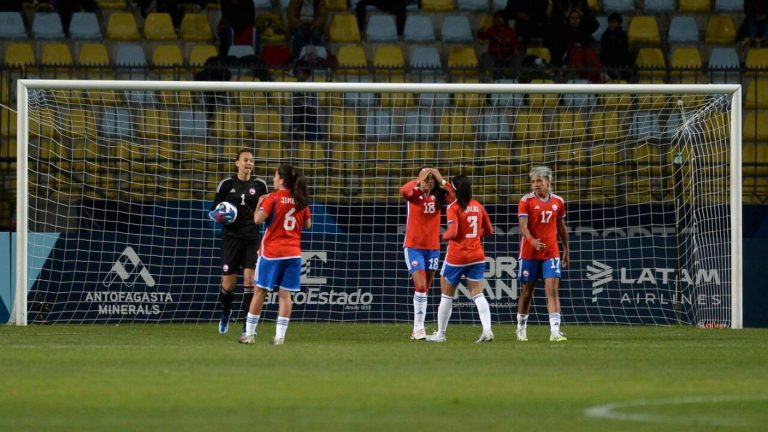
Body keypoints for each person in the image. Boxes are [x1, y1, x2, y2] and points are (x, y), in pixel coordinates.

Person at [239, 165, 312, 345]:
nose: (273, 179)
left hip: (272, 253)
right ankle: (279, 337)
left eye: (275, 176)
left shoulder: (272, 198)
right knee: (285, 295)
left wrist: (259, 204)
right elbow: (308, 225)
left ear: (282, 180)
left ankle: (249, 334)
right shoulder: (301, 200)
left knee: (260, 292)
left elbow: (257, 220)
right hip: (293, 254)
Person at [426, 175, 494, 343]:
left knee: (446, 295)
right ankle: (487, 330)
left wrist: (443, 236)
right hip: (477, 255)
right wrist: (474, 237)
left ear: (455, 191)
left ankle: (441, 334)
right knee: (478, 294)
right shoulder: (478, 206)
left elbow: (453, 233)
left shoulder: (453, 207)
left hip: (457, 257)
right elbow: (489, 230)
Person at [210, 149, 269, 336]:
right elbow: (212, 212)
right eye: (245, 160)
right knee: (228, 285)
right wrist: (221, 216)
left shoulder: (260, 185)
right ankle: (226, 313)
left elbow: (265, 211)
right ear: (237, 163)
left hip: (252, 238)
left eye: (251, 160)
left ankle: (247, 325)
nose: (249, 163)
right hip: (231, 238)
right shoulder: (226, 184)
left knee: (250, 281)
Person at [516, 166, 570, 342]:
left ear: (548, 181)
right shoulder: (526, 201)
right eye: (533, 181)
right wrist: (532, 241)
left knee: (552, 291)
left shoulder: (558, 202)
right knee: (527, 292)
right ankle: (521, 328)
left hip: (551, 252)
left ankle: (555, 332)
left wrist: (566, 250)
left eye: (539, 181)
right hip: (529, 253)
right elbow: (523, 227)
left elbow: (561, 228)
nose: (535, 185)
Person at [400, 167, 454, 340]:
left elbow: (455, 198)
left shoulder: (439, 196)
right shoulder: (414, 194)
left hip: (433, 248)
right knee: (421, 285)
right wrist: (418, 181)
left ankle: (417, 329)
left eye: (432, 178)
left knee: (425, 288)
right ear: (420, 178)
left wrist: (441, 179)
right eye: (427, 178)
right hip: (413, 247)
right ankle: (419, 328)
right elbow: (403, 191)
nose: (430, 181)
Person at [478, 10, 524, 79]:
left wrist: (516, 51)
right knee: (484, 56)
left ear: (505, 20)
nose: (497, 19)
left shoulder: (510, 31)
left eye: (500, 17)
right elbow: (484, 37)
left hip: (507, 58)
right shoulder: (492, 29)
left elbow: (516, 45)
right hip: (494, 57)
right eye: (496, 17)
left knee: (519, 57)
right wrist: (480, 32)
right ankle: (497, 75)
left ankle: (509, 74)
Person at [600, 12, 630, 81]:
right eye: (610, 22)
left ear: (619, 23)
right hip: (608, 65)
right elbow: (603, 52)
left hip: (621, 65)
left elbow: (624, 52)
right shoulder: (605, 35)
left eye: (614, 22)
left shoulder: (622, 35)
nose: (611, 24)